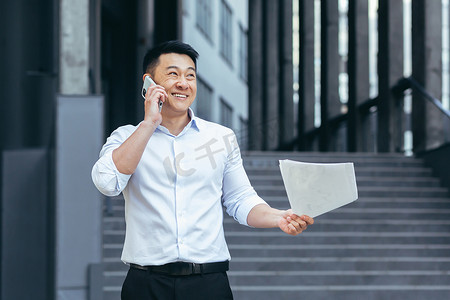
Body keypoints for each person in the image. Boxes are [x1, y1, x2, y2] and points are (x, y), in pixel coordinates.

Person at [91, 40, 314, 300]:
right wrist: (150, 123)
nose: (184, 83)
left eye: (190, 75)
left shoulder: (221, 138)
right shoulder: (127, 137)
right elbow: (107, 183)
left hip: (209, 284)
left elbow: (240, 199)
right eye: (173, 74)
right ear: (149, 82)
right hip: (146, 285)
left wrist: (278, 217)